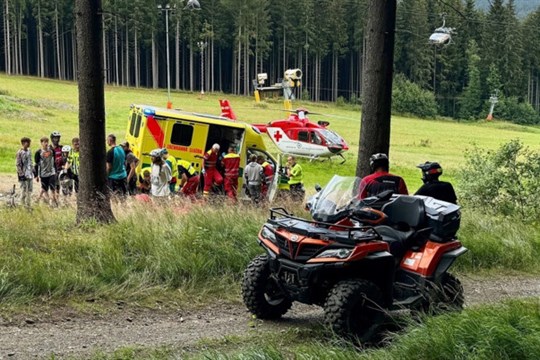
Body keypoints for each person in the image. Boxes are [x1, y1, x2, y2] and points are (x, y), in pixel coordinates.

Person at [34, 136, 57, 206]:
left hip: (51, 172)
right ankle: (39, 199)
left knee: (53, 188)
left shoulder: (51, 150)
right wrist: (36, 175)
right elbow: (36, 164)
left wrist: (55, 170)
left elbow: (54, 161)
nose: (46, 143)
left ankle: (54, 202)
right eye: (44, 142)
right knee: (44, 188)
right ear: (41, 143)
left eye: (47, 142)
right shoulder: (39, 152)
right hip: (43, 173)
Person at [16, 137, 34, 208]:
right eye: (27, 142)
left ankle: (28, 205)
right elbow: (18, 164)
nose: (29, 144)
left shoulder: (29, 151)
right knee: (23, 190)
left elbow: (30, 161)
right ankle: (22, 205)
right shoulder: (20, 152)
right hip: (23, 175)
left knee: (29, 190)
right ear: (23, 143)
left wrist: (33, 170)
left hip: (29, 174)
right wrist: (21, 174)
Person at [50, 131, 64, 195]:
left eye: (57, 138)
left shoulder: (61, 148)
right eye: (55, 138)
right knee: (52, 186)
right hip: (52, 169)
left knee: (59, 186)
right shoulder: (49, 148)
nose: (56, 140)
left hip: (60, 169)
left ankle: (57, 198)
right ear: (52, 139)